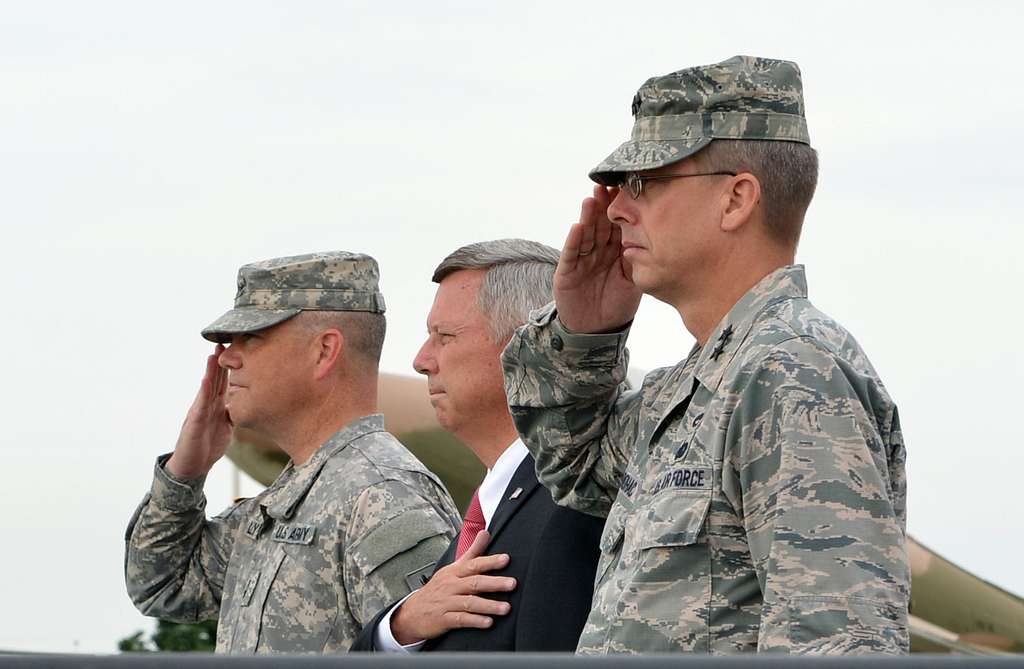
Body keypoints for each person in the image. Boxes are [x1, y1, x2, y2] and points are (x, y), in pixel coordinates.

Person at [501, 56, 909, 654]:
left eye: (644, 183)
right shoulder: (694, 388)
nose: (615, 209)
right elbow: (573, 469)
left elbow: (838, 642)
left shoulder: (791, 372)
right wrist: (585, 334)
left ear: (736, 199)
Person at [125, 251, 460, 654]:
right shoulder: (288, 501)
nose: (228, 356)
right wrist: (185, 472)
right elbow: (161, 584)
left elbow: (441, 661)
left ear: (323, 351)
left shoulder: (383, 497)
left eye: (252, 337)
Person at [351, 239, 604, 652]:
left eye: (445, 336)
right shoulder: (501, 503)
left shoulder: (570, 506)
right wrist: (404, 624)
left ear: (523, 346)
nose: (421, 359)